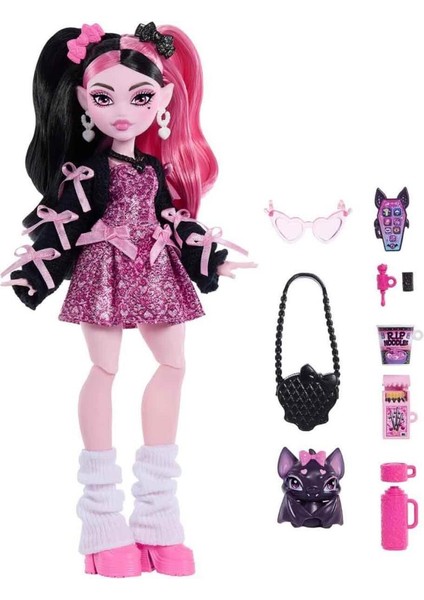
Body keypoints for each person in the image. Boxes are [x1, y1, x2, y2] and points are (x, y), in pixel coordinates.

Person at [0, 22, 254, 578]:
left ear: (162, 100)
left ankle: (158, 515)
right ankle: (102, 519)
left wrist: (210, 257)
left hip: (156, 268)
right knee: (104, 369)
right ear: (83, 101)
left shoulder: (154, 167)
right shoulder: (88, 171)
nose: (121, 111)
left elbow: (173, 217)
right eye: (104, 97)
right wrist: (33, 271)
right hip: (105, 269)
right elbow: (65, 222)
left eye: (139, 97)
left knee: (173, 364)